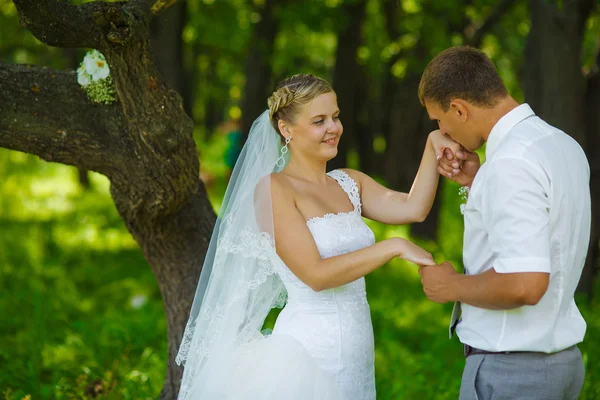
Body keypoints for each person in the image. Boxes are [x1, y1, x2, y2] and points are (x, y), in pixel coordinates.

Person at [175, 73, 461, 399]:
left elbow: (413, 208)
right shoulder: (274, 189)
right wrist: (393, 246)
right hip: (306, 357)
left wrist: (432, 145)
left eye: (336, 116)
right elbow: (315, 274)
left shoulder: (348, 182)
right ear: (286, 129)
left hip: (357, 352)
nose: (333, 128)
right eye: (318, 121)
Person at [418, 46, 591, 400]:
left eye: (439, 120)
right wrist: (477, 182)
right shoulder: (560, 144)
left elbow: (525, 284)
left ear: (459, 109)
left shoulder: (510, 163)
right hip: (562, 365)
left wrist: (450, 286)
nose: (442, 130)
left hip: (514, 374)